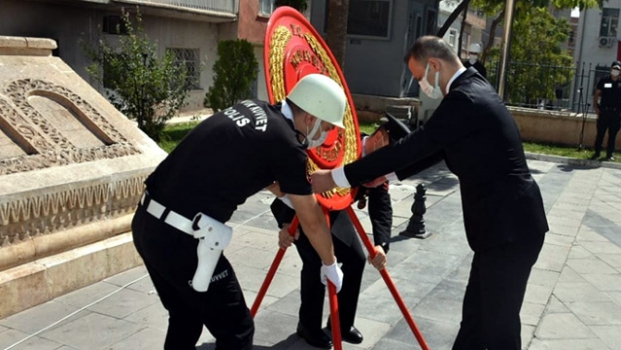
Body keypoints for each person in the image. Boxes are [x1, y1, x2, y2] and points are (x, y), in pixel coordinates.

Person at [310, 36, 548, 350]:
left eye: (420, 77)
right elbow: (436, 151)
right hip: (503, 228)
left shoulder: (465, 99)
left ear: (434, 65)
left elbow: (417, 145)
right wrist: (385, 174)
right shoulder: (472, 90)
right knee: (477, 321)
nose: (422, 84)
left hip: (510, 228)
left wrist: (337, 177)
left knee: (499, 327)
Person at [131, 74, 347, 350]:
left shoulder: (255, 110)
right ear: (311, 118)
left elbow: (267, 176)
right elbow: (313, 221)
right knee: (237, 329)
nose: (325, 135)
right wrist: (330, 263)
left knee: (186, 316)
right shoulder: (288, 145)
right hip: (181, 240)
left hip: (148, 224)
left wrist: (317, 185)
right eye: (326, 127)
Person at [269, 115, 410, 349]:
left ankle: (343, 324)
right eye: (391, 153)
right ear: (380, 138)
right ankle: (308, 327)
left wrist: (381, 244)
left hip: (335, 208)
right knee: (315, 261)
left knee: (355, 258)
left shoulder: (379, 166)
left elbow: (381, 201)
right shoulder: (342, 147)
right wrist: (286, 224)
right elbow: (294, 182)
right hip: (300, 207)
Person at [592, 60, 621, 161]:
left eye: (617, 69)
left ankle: (609, 154)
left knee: (612, 135)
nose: (615, 71)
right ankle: (597, 153)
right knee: (600, 133)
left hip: (616, 112)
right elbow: (596, 94)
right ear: (611, 69)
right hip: (604, 111)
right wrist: (595, 107)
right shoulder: (604, 80)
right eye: (614, 68)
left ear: (620, 70)